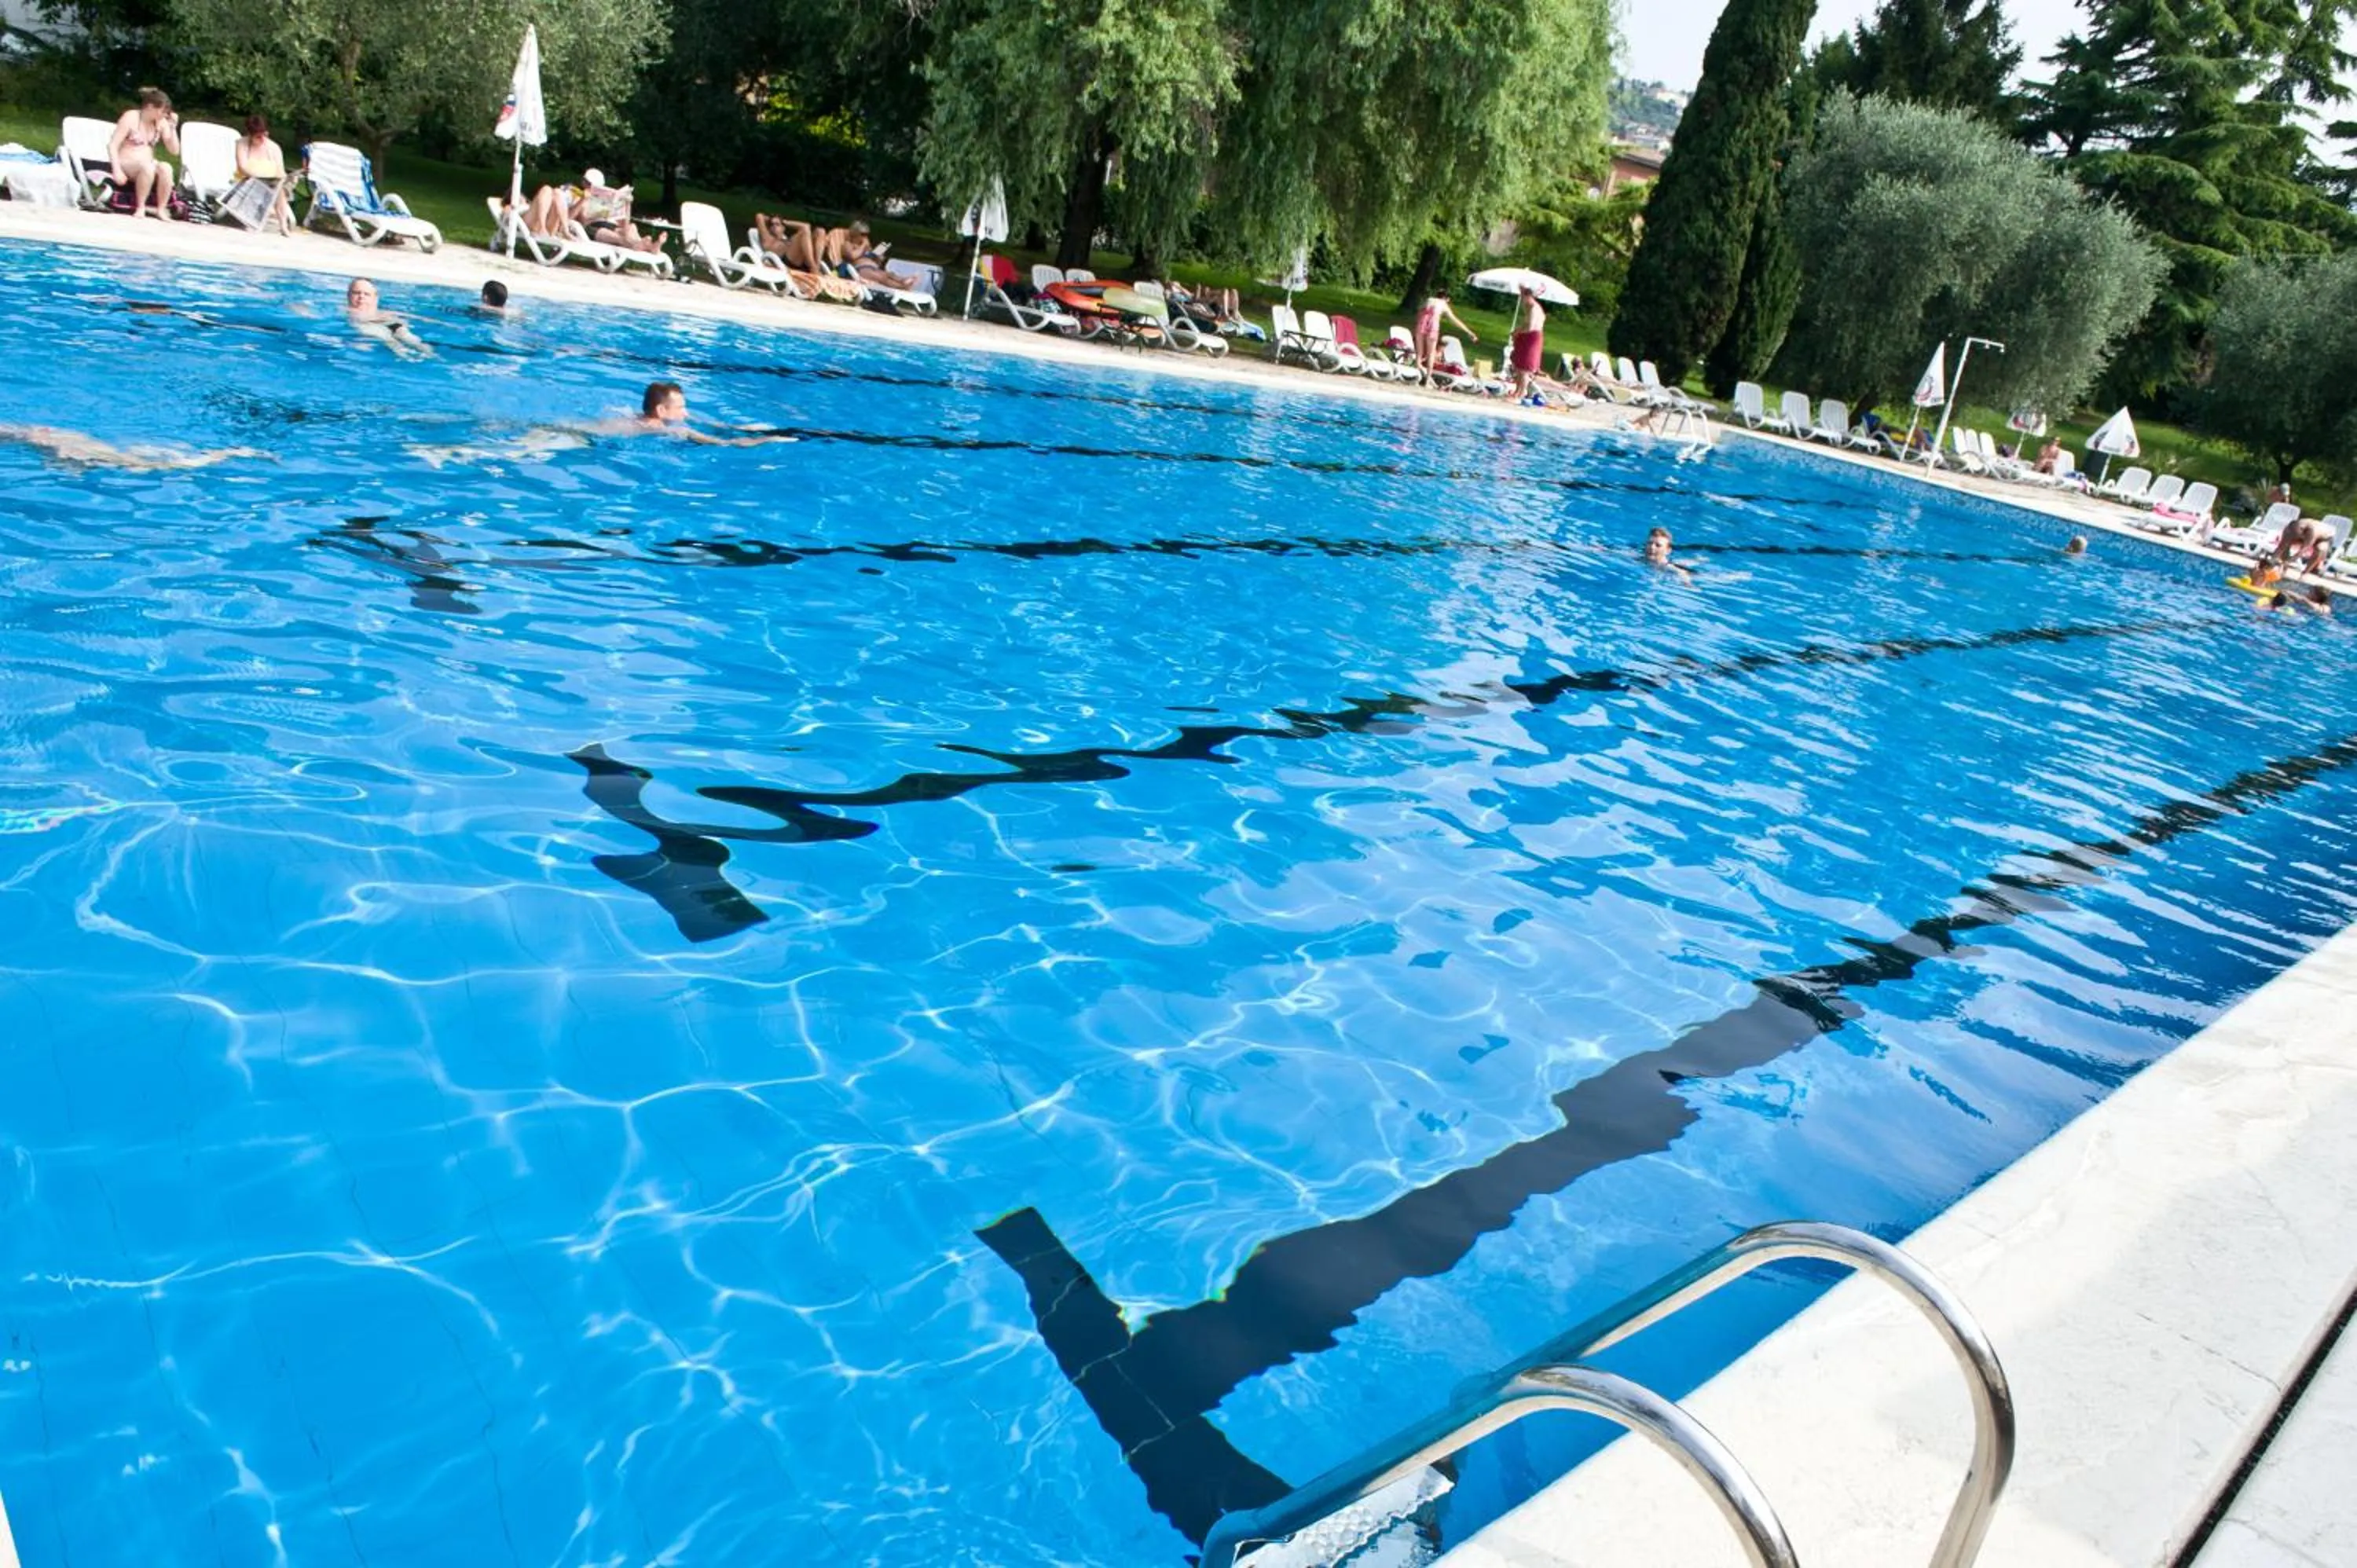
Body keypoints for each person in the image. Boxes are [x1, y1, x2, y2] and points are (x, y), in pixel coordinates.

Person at [0, 424, 266, 471]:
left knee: (140, 464)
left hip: (62, 443)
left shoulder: (65, 446)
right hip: (57, 439)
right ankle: (235, 453)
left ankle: (235, 453)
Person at [614, 381, 794, 447]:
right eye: (681, 408)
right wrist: (768, 439)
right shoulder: (673, 430)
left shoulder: (637, 416)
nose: (685, 413)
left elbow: (700, 422)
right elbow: (725, 443)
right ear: (661, 410)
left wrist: (740, 428)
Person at [108, 87, 181, 221]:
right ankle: (140, 207)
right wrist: (116, 170)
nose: (165, 115)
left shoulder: (161, 123)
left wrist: (172, 127)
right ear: (150, 107)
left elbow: (174, 151)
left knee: (166, 168)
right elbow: (113, 145)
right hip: (128, 162)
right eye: (162, 111)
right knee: (148, 167)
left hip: (148, 163)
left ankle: (161, 209)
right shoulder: (131, 117)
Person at [229, 113, 295, 233]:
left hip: (270, 182)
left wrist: (279, 177)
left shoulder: (273, 148)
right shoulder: (242, 144)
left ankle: (283, 224)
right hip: (246, 181)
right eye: (258, 137)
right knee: (269, 187)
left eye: (264, 135)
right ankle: (256, 218)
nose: (263, 139)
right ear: (250, 135)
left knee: (279, 188)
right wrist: (259, 175)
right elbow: (242, 167)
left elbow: (280, 170)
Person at [344, 277, 428, 357]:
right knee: (389, 340)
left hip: (388, 321)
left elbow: (399, 315)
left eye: (367, 294)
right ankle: (407, 357)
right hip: (371, 325)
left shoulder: (379, 312)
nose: (361, 297)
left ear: (375, 298)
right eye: (356, 293)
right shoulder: (347, 310)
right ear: (348, 295)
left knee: (409, 338)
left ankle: (430, 354)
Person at [1413, 290, 1475, 375]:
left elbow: (1420, 312)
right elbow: (1454, 320)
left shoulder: (1429, 300)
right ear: (1447, 299)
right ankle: (1428, 378)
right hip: (1433, 326)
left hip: (1421, 324)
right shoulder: (1444, 304)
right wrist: (1469, 332)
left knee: (1419, 354)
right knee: (1431, 353)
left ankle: (1418, 368)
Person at [1508, 286, 1546, 401]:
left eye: (1522, 296)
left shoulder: (1534, 308)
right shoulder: (1530, 307)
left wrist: (1517, 332)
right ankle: (1517, 391)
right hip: (1527, 338)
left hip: (1531, 338)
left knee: (1524, 369)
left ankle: (1521, 394)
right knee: (1519, 367)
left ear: (1528, 296)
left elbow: (1530, 327)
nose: (1521, 299)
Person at [2272, 515, 2337, 575]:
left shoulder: (2312, 531)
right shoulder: (2290, 529)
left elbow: (2304, 549)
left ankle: (2305, 573)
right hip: (2304, 531)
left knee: (2320, 549)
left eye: (2295, 536)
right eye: (2293, 535)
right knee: (2286, 545)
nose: (2294, 538)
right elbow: (2281, 547)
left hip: (2325, 538)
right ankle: (2284, 569)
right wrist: (2273, 559)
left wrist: (2290, 560)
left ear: (2302, 531)